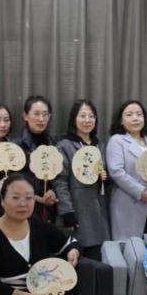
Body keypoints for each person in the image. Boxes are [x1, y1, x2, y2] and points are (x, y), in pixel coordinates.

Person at [55, 100, 110, 261]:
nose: (87, 120)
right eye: (82, 116)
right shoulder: (64, 145)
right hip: (77, 208)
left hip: (98, 209)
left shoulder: (100, 145)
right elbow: (60, 182)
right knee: (77, 259)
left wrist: (104, 178)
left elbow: (105, 177)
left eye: (91, 116)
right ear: (74, 119)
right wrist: (67, 212)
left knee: (98, 260)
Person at [106, 100, 147, 239]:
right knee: (129, 247)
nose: (135, 118)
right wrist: (141, 192)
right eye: (129, 115)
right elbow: (117, 172)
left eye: (139, 114)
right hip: (128, 204)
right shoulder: (117, 140)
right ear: (121, 120)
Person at [16, 95, 59, 222]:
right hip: (24, 209)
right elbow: (14, 182)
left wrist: (53, 192)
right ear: (25, 116)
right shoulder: (16, 146)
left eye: (45, 115)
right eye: (37, 114)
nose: (41, 119)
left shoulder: (53, 144)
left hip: (50, 210)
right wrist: (37, 198)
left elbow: (58, 175)